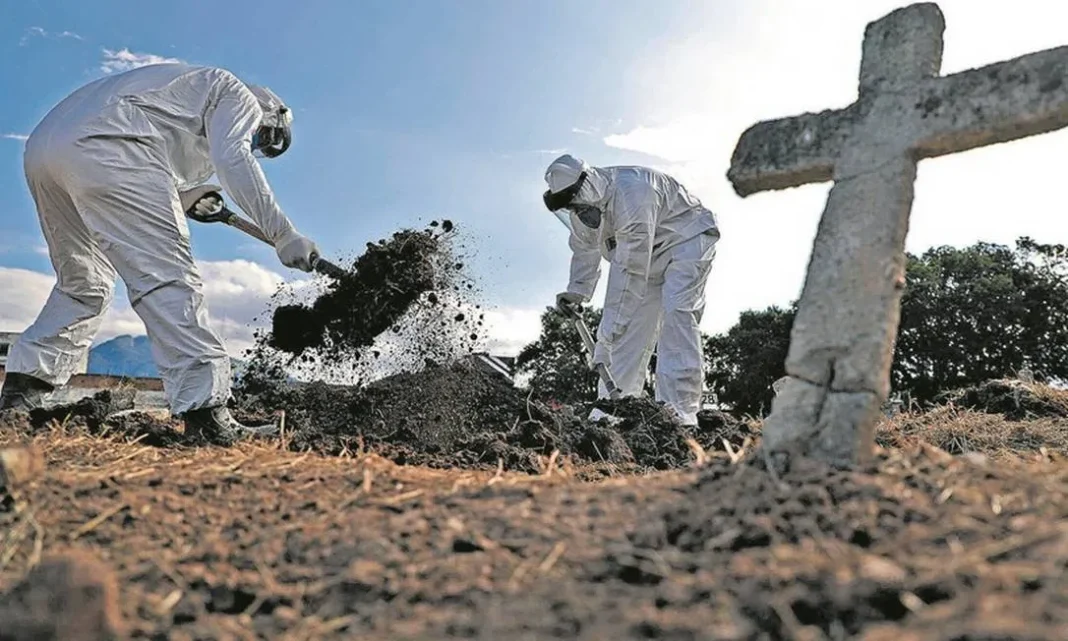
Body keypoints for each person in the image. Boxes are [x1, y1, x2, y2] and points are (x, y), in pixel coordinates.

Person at [0, 63, 319, 445]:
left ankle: (21, 395)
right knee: (170, 279)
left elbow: (155, 152)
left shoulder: (182, 91)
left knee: (85, 285)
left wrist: (188, 197)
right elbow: (233, 157)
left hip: (46, 150)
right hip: (111, 143)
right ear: (270, 114)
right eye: (263, 140)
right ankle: (208, 415)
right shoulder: (237, 94)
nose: (257, 146)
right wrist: (283, 234)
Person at [542, 154, 720, 426]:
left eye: (576, 205)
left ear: (587, 185)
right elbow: (585, 250)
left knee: (677, 314)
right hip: (647, 259)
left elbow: (630, 272)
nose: (577, 214)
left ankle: (679, 416)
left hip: (686, 240)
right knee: (630, 334)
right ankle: (612, 416)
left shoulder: (635, 193)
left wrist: (605, 339)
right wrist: (577, 291)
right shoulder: (582, 209)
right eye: (570, 209)